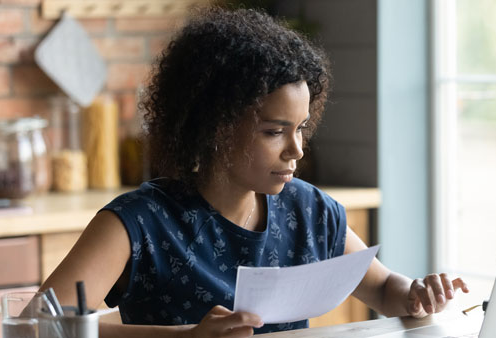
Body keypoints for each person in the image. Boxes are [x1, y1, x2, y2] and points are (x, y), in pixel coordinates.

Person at [39, 6, 469, 338]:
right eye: (273, 132)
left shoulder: (308, 209)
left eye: (300, 129)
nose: (296, 149)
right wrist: (186, 336)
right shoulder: (140, 221)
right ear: (215, 126)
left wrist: (416, 294)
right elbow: (42, 326)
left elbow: (380, 288)